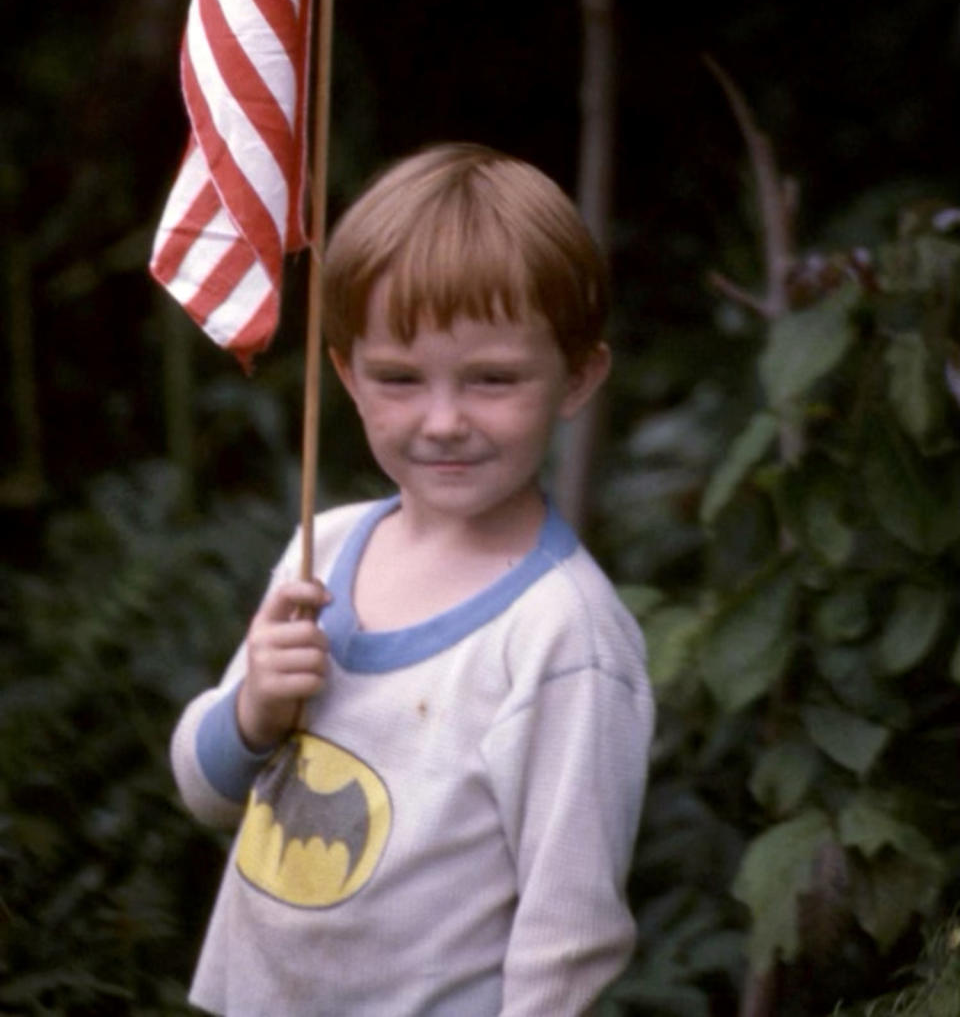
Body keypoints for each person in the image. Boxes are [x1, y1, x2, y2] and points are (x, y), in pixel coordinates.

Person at [171, 143, 654, 1017]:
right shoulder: (325, 547)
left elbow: (570, 939)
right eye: (398, 378)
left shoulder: (561, 634)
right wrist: (250, 717)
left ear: (578, 377)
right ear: (348, 375)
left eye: (493, 380)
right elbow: (204, 793)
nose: (442, 421)